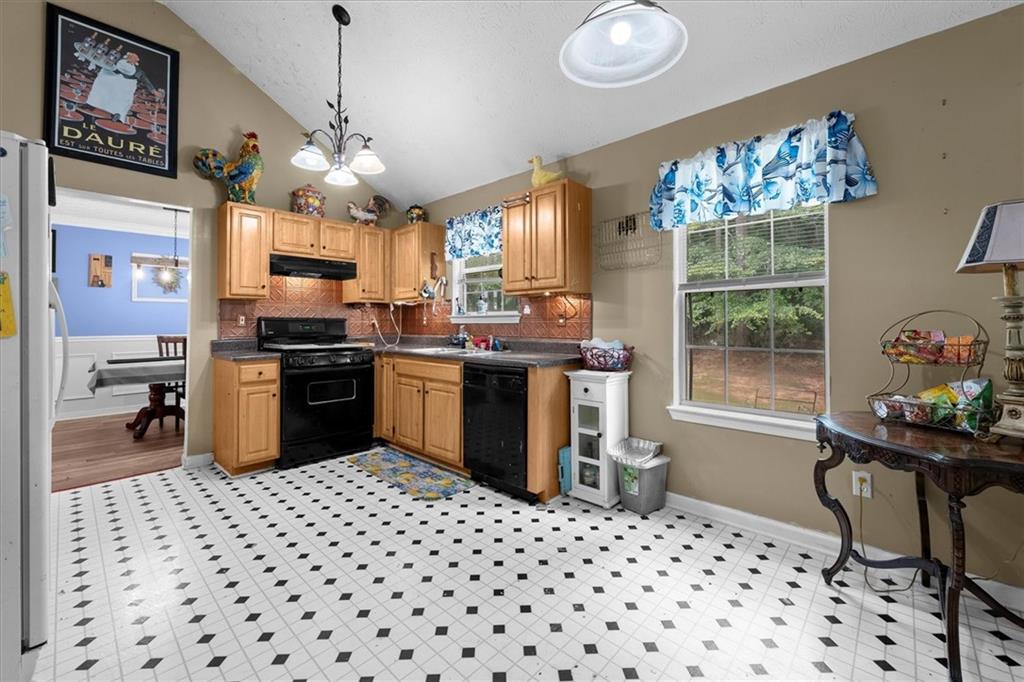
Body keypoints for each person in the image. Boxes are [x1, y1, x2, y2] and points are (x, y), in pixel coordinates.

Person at [85, 52, 161, 122]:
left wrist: (154, 91)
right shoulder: (116, 61)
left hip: (124, 87)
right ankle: (91, 104)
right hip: (108, 82)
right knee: (100, 87)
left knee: (122, 99)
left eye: (133, 59)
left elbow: (145, 80)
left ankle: (117, 114)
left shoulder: (137, 71)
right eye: (129, 57)